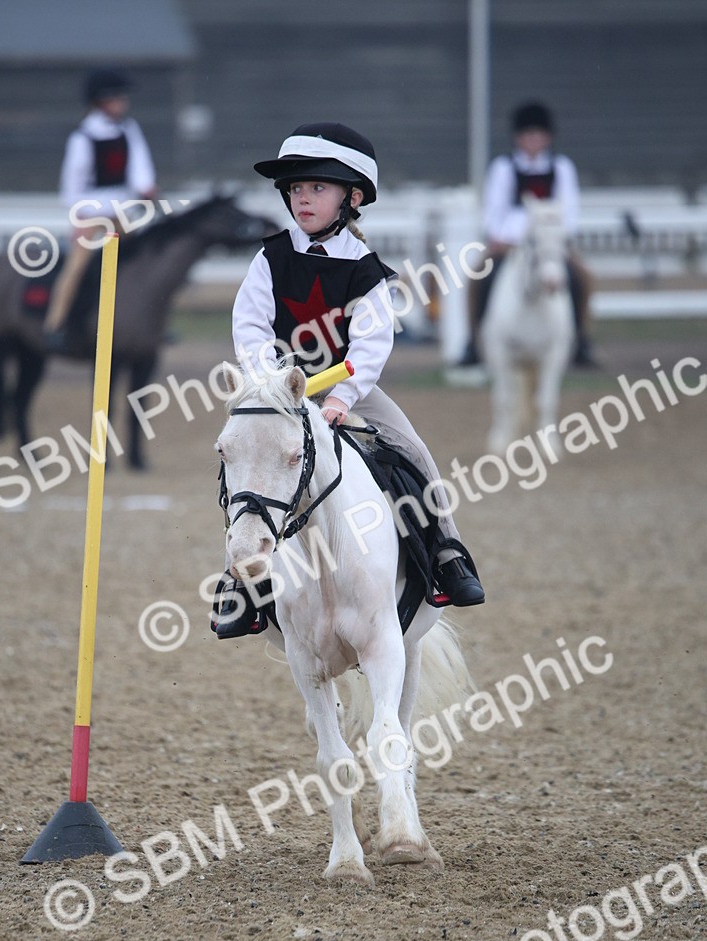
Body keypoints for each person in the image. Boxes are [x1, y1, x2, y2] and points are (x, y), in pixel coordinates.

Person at [214, 121, 484, 639]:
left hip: (349, 387)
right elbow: (248, 326)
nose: (303, 199)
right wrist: (269, 381)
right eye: (296, 189)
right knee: (240, 465)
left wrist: (340, 397)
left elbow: (370, 344)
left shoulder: (364, 268)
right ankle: (238, 585)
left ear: (351, 197)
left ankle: (448, 550)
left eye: (317, 187)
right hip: (280, 391)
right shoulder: (270, 258)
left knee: (413, 447)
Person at [457, 100, 597, 368]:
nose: (533, 140)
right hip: (509, 242)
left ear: (547, 137)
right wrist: (498, 236)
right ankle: (473, 341)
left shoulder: (562, 167)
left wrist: (560, 237)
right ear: (518, 137)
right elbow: (493, 207)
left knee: (583, 277)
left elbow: (570, 208)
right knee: (478, 277)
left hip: (550, 242)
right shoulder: (503, 167)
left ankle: (581, 339)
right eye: (527, 134)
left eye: (538, 134)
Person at [44, 68, 157, 352]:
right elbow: (72, 184)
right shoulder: (82, 138)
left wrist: (147, 188)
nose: (124, 102)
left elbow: (139, 169)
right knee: (77, 266)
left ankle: (149, 321)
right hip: (92, 215)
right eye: (118, 97)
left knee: (146, 262)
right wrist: (80, 218)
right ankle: (54, 324)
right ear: (102, 100)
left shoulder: (128, 130)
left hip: (122, 214)